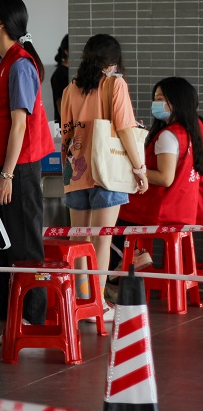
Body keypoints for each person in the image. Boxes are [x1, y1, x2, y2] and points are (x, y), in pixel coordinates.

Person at [60, 34, 147, 320]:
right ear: (113, 62)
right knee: (101, 240)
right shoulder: (114, 84)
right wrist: (139, 168)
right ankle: (96, 304)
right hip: (107, 172)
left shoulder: (70, 89)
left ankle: (82, 301)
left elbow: (66, 133)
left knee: (79, 240)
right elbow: (124, 129)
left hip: (75, 170)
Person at [0, 0, 54, 332]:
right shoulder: (1, 61)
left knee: (24, 244)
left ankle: (32, 319)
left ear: (2, 24)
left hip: (18, 169)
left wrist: (8, 175)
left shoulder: (21, 65)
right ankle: (5, 315)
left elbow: (19, 124)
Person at [109, 77, 203, 297]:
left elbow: (165, 178)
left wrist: (134, 171)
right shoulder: (193, 130)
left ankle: (128, 262)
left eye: (161, 98)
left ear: (176, 102)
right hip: (184, 210)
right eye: (155, 98)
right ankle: (131, 259)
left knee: (112, 220)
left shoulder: (169, 135)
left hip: (160, 211)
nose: (155, 103)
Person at [50, 34, 70, 123]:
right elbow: (60, 103)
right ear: (67, 51)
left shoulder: (70, 71)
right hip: (65, 125)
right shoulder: (60, 74)